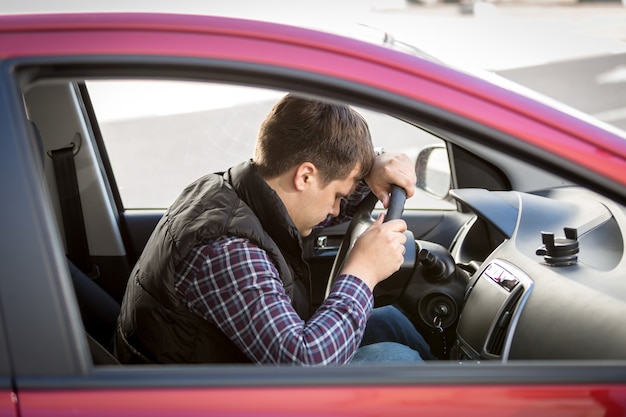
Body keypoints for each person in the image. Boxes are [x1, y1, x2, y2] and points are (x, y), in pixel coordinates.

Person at [114, 93, 434, 365]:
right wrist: (363, 272)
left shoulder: (233, 192)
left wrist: (371, 165)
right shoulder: (225, 248)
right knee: (396, 360)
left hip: (221, 368)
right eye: (338, 196)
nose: (337, 209)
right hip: (198, 402)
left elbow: (320, 211)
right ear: (305, 176)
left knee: (387, 320)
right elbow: (304, 364)